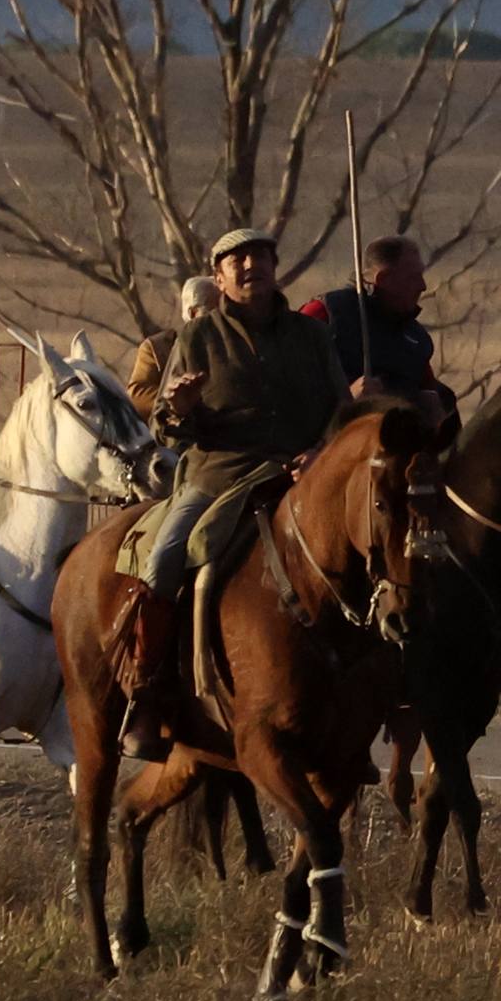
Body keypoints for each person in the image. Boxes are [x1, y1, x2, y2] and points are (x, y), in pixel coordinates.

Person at [134, 227, 347, 758]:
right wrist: (179, 410)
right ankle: (148, 690)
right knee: (163, 557)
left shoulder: (312, 336)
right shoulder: (198, 338)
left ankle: (380, 697)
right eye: (237, 260)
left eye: (260, 256)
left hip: (303, 474)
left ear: (277, 267)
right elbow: (164, 427)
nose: (251, 265)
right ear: (220, 277)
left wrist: (323, 451)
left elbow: (343, 411)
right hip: (221, 475)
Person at [300, 234, 461, 439]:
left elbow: (428, 389)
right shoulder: (325, 314)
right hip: (330, 443)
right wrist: (346, 399)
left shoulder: (416, 339)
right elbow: (288, 384)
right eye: (413, 277)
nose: (423, 286)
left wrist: (435, 410)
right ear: (384, 279)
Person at [127, 277, 219, 420]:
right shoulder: (158, 348)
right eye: (215, 312)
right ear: (193, 313)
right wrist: (178, 401)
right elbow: (139, 396)